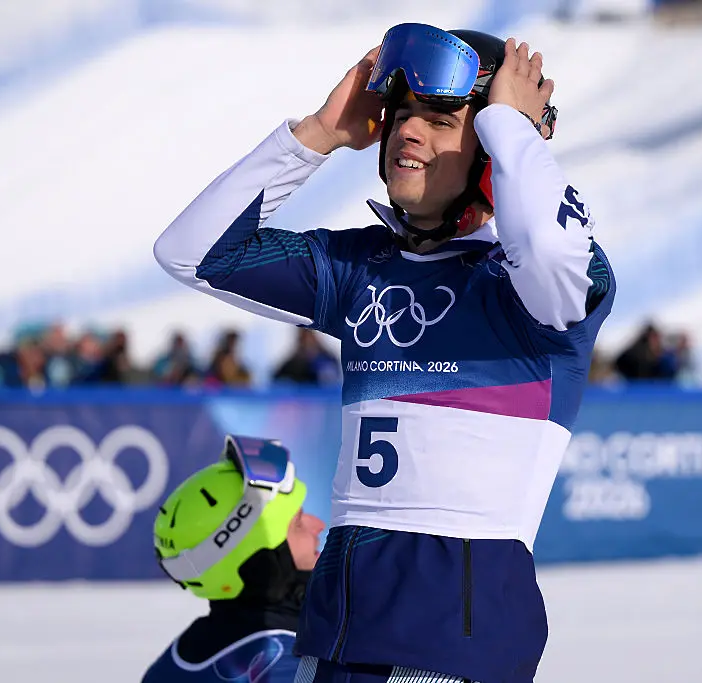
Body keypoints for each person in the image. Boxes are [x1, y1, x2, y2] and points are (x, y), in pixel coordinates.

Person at [154, 23, 615, 683]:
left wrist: (512, 128)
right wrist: (318, 134)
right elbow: (191, 253)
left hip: (447, 647)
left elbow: (547, 242)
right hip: (335, 633)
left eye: (442, 119)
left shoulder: (540, 293)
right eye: (400, 114)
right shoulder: (359, 267)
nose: (408, 131)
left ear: (491, 151)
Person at [142, 436, 325, 682]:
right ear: (261, 561)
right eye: (299, 524)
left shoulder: (173, 665)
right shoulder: (298, 670)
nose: (318, 525)